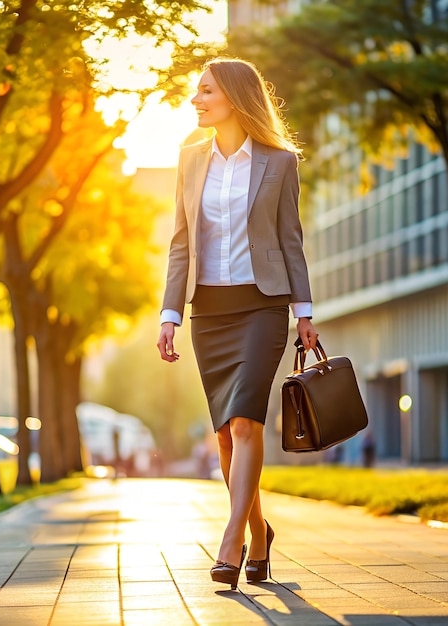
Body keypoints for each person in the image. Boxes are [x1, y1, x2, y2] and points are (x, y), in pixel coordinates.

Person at [156, 57, 318, 590]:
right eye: (196, 92)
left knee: (247, 421)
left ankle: (232, 540)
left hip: (263, 307)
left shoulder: (278, 161)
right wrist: (170, 313)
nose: (196, 100)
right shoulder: (188, 160)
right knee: (226, 433)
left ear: (234, 97)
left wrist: (305, 313)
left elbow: (290, 240)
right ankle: (260, 533)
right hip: (210, 312)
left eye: (206, 91)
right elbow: (181, 243)